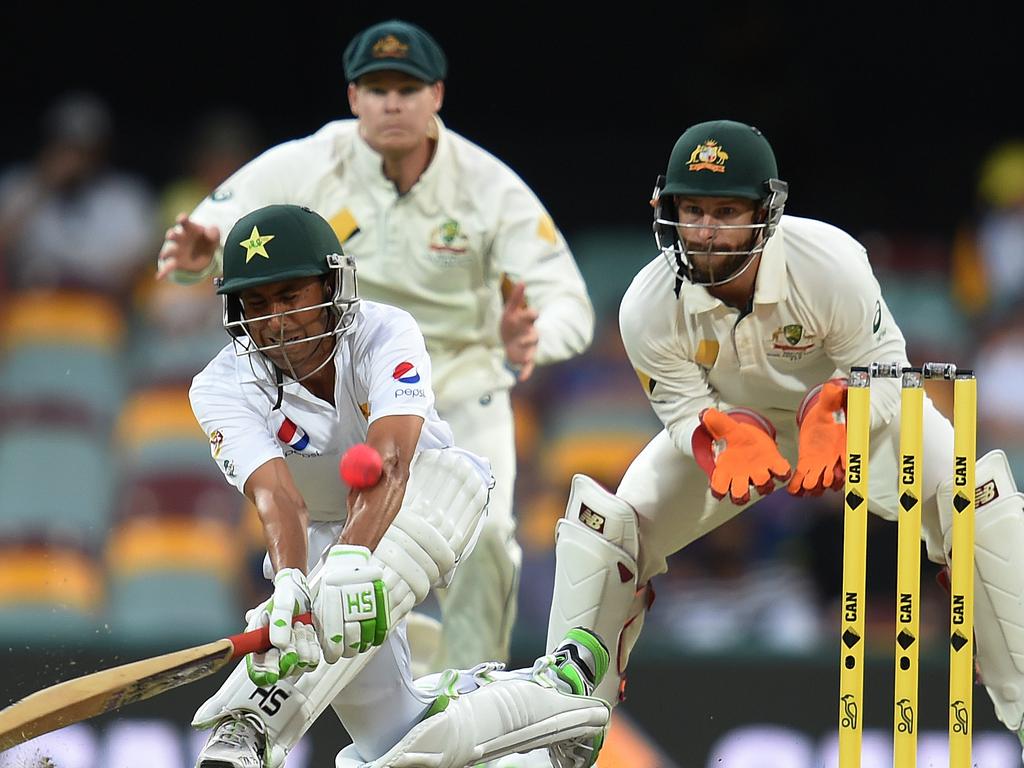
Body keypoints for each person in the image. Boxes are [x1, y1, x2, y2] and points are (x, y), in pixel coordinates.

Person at [534, 120, 1024, 759]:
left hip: (858, 416)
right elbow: (682, 409)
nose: (706, 230)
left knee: (977, 502)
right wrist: (714, 435)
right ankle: (564, 719)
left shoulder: (829, 264)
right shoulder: (646, 306)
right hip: (742, 428)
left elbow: (890, 376)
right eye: (693, 210)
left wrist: (835, 417)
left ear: (766, 212)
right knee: (612, 525)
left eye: (726, 211)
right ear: (667, 210)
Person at [156, 18, 594, 674]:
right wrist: (197, 255)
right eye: (376, 88)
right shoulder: (311, 161)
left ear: (436, 96)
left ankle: (468, 691)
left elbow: (571, 305)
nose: (392, 102)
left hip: (463, 382)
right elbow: (218, 230)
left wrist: (531, 339)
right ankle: (380, 663)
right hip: (344, 377)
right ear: (354, 97)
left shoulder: (488, 185)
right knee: (331, 547)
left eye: (408, 88)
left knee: (488, 543)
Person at [186, 203, 609, 768]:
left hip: (429, 496)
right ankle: (548, 700)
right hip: (323, 533)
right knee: (400, 749)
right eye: (257, 305)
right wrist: (290, 579)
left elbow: (391, 459)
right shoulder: (218, 386)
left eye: (291, 297)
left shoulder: (385, 331)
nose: (277, 321)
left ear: (333, 284)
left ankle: (249, 724)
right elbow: (276, 495)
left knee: (338, 602)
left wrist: (349, 558)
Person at [0, 91, 155, 302]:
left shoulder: (126, 196)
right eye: (66, 145)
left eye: (84, 148)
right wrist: (43, 186)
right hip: (29, 304)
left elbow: (135, 266)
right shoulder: (20, 186)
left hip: (99, 306)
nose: (75, 158)